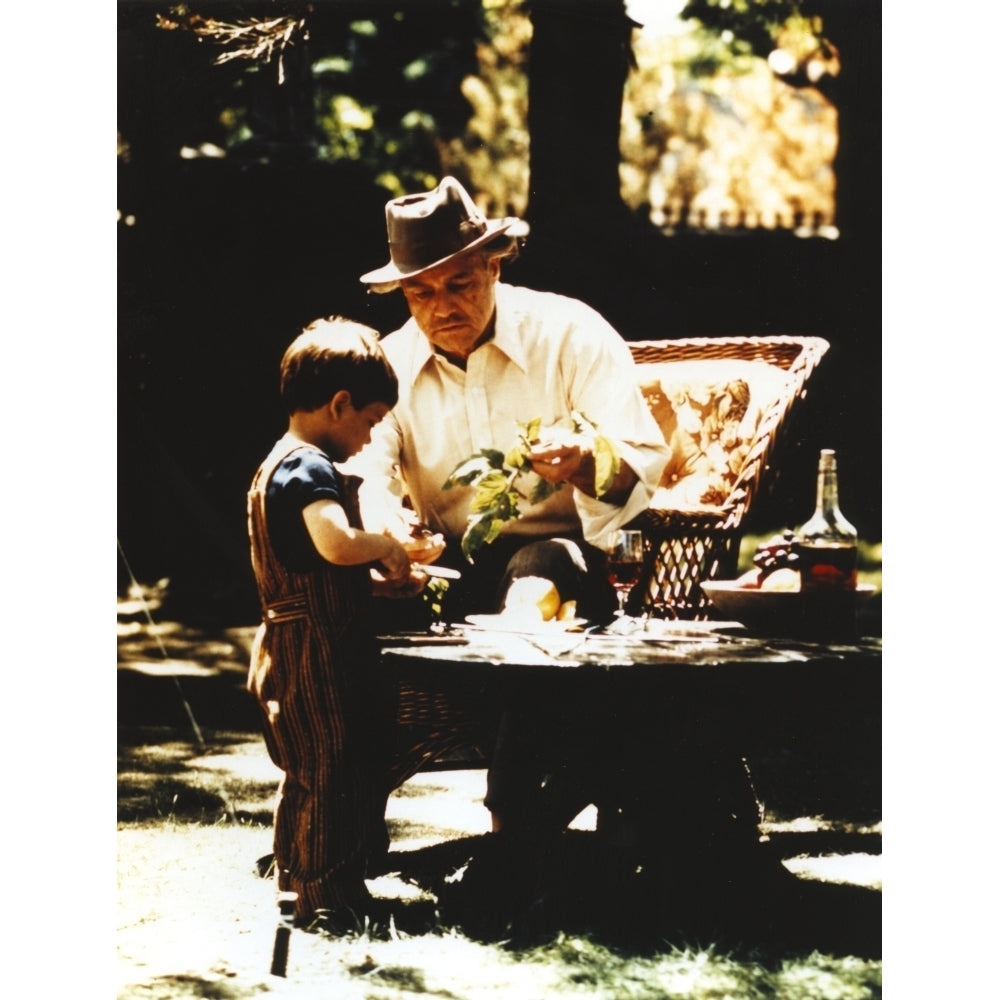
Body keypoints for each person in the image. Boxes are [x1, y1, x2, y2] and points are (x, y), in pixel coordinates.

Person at [346, 176, 672, 840]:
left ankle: (511, 823)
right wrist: (387, 533)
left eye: (460, 283)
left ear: (494, 263)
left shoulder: (568, 333)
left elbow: (644, 458)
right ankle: (334, 827)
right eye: (420, 293)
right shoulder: (390, 364)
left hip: (571, 565)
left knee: (533, 574)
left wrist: (585, 459)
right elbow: (363, 472)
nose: (441, 307)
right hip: (451, 573)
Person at [246, 316, 435, 932]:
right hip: (316, 649)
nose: (370, 435)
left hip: (290, 636)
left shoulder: (278, 463)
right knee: (331, 764)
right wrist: (381, 545)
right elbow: (332, 543)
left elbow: (313, 560)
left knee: (307, 769)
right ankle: (328, 898)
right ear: (340, 404)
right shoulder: (310, 468)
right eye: (372, 421)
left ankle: (296, 878)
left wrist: (378, 578)